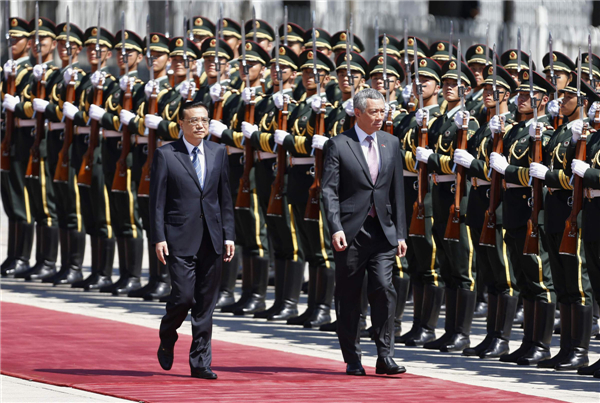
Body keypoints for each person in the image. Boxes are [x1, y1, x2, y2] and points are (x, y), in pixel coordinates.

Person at [322, 88, 407, 376]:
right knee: (349, 295)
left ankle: (385, 355)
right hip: (351, 232)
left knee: (384, 289)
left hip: (382, 231)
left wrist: (401, 234)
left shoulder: (391, 142)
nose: (380, 117)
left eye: (383, 111)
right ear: (357, 112)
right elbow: (329, 191)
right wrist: (335, 228)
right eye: (374, 112)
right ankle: (353, 357)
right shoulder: (339, 144)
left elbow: (397, 192)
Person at [150, 101, 235, 380]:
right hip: (178, 237)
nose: (200, 125)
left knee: (205, 304)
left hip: (212, 237)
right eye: (194, 121)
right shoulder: (166, 154)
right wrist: (159, 237)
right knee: (184, 296)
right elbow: (157, 202)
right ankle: (168, 331)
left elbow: (224, 198)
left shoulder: (218, 152)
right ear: (181, 125)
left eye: (204, 120)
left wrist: (229, 235)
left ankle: (200, 362)